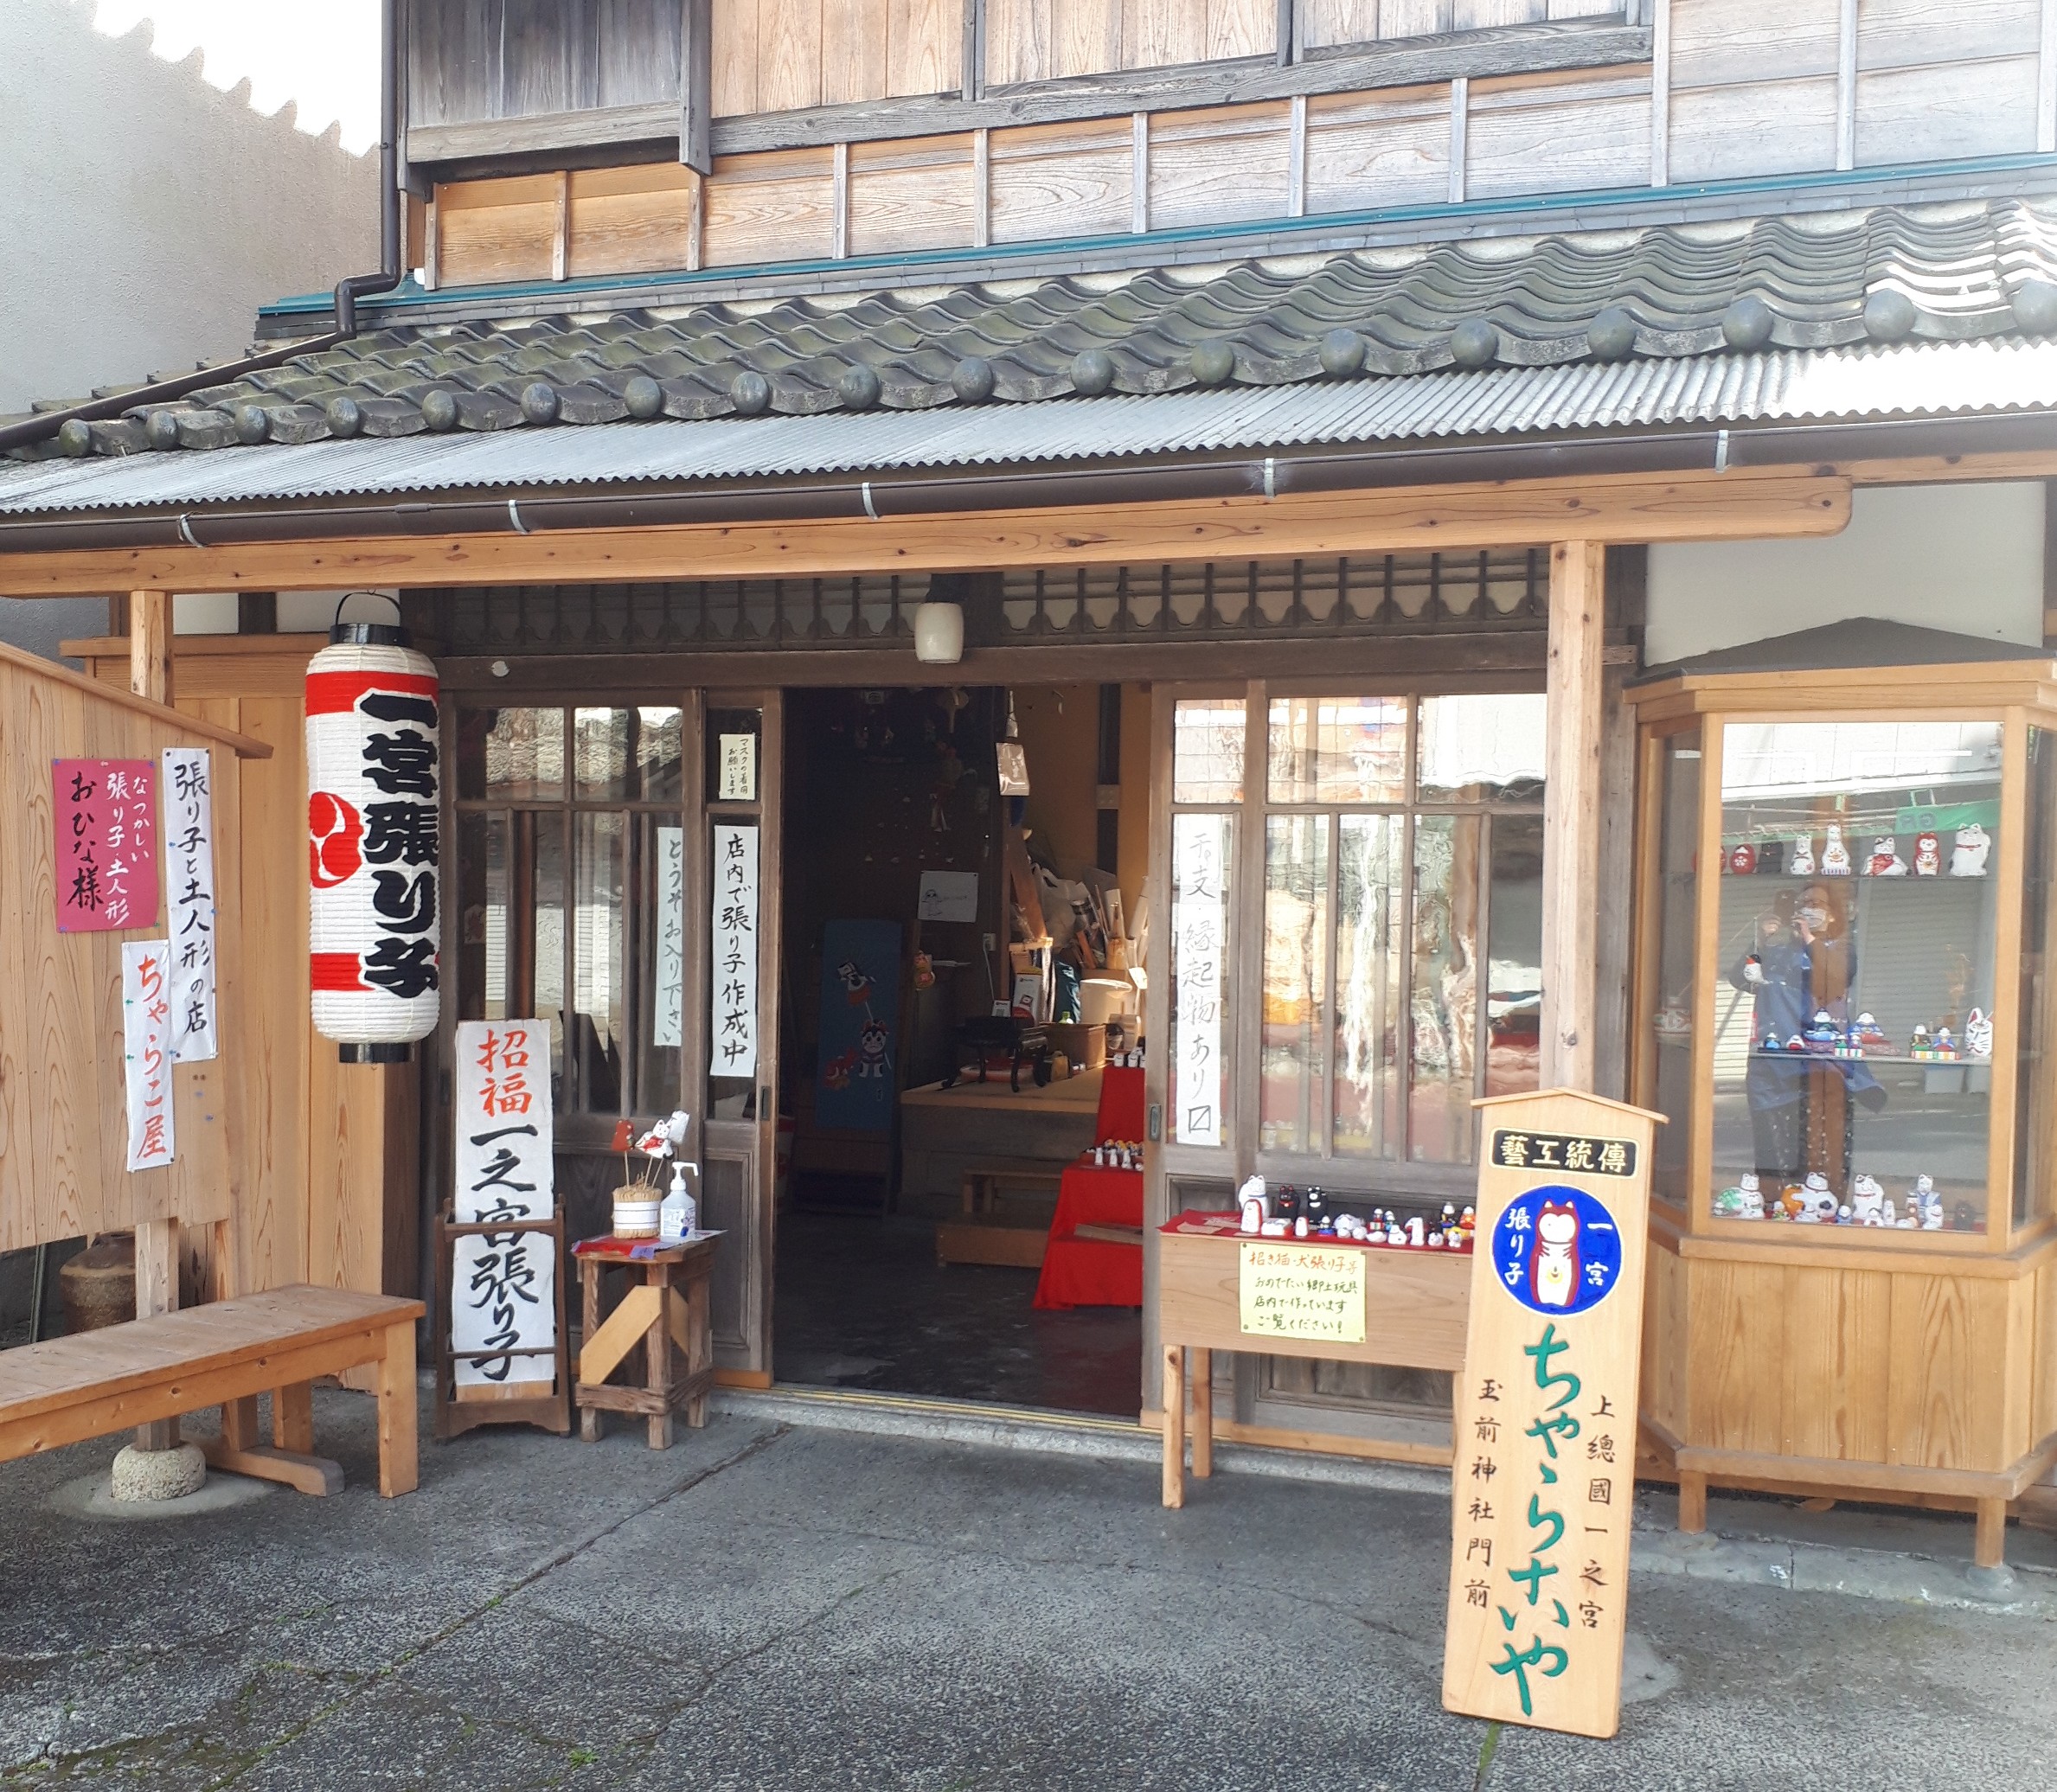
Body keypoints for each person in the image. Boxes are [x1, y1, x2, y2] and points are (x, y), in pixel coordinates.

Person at [1727, 880, 1885, 1189]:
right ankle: (1773, 1210)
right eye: (1802, 905)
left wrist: (1810, 938)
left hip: (1821, 1068)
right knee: (1773, 1157)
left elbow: (1836, 979)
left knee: (1823, 1160)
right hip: (1772, 1069)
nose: (1807, 910)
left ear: (1833, 917)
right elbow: (1740, 979)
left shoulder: (1841, 949)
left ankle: (1823, 1214)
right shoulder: (1773, 953)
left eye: (1816, 905)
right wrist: (1759, 939)